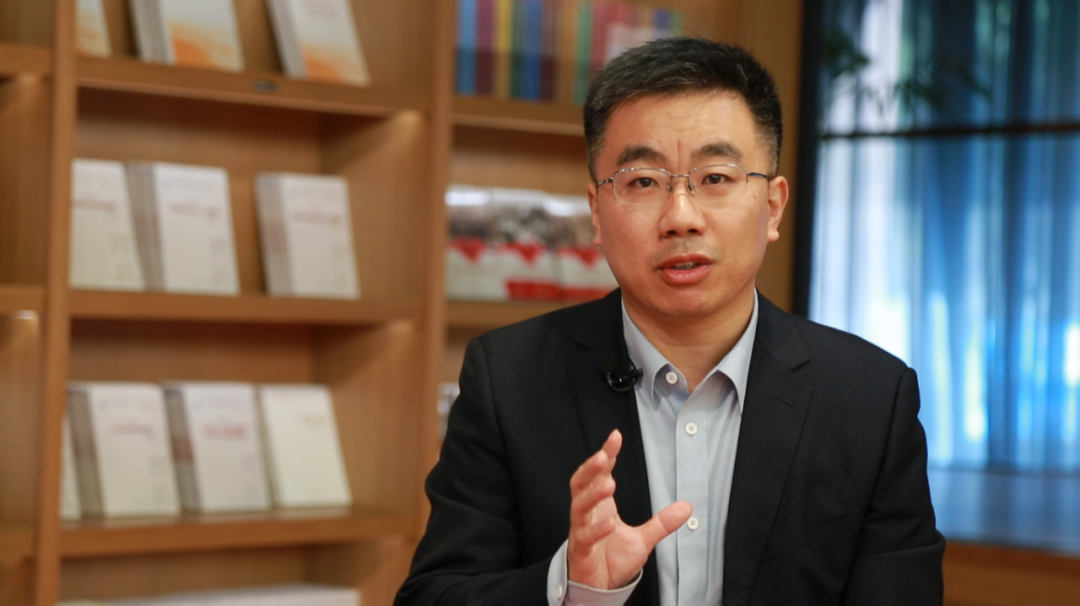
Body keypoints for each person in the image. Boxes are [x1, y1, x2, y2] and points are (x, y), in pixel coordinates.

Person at [395, 37, 945, 606]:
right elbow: (433, 596)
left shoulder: (869, 399)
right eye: (643, 182)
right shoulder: (509, 381)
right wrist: (570, 586)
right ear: (596, 212)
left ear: (773, 206)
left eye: (716, 178)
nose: (681, 217)